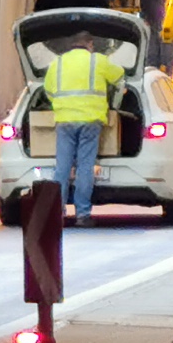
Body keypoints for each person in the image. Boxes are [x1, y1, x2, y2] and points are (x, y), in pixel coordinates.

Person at [43, 34, 126, 224]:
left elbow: (47, 91)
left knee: (62, 168)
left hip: (64, 121)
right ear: (89, 44)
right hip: (90, 121)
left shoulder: (57, 63)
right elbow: (120, 78)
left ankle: (58, 213)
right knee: (85, 167)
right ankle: (82, 214)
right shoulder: (98, 60)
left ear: (70, 46)